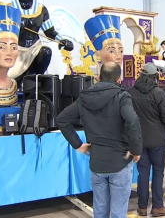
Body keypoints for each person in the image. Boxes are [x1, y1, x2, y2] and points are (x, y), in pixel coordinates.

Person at [56, 62, 143, 218]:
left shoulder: (84, 98)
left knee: (100, 210)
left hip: (96, 162)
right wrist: (136, 149)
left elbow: (62, 119)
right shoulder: (122, 96)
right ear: (119, 78)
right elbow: (133, 121)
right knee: (118, 211)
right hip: (120, 161)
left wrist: (78, 144)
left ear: (98, 77)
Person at [128, 63, 165, 217]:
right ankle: (157, 206)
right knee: (158, 172)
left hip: (138, 140)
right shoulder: (159, 93)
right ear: (155, 76)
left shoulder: (131, 93)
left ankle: (142, 207)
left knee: (143, 173)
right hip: (157, 140)